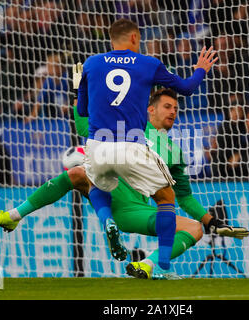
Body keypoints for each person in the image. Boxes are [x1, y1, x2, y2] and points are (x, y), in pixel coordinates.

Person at [0, 88, 249, 280]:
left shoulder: (174, 152)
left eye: (176, 109)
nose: (173, 112)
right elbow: (85, 128)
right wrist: (79, 95)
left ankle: (145, 265)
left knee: (194, 229)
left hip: (136, 210)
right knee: (77, 173)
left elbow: (185, 198)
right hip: (109, 187)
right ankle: (13, 215)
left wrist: (211, 222)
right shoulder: (128, 128)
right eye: (168, 106)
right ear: (150, 109)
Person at [75, 18, 218, 273]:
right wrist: (200, 69)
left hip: (98, 145)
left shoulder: (91, 64)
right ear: (133, 38)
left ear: (111, 38)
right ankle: (161, 264)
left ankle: (107, 220)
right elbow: (186, 88)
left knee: (96, 185)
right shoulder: (148, 64)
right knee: (166, 197)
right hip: (130, 145)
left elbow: (83, 110)